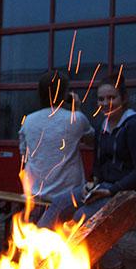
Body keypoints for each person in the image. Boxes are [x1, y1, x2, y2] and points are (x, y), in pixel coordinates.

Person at [37, 76, 136, 269]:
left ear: (124, 98)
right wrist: (92, 183)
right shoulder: (102, 126)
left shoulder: (135, 126)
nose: (106, 103)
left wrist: (112, 189)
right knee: (58, 204)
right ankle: (37, 261)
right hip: (107, 188)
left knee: (82, 218)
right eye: (101, 99)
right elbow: (98, 165)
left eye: (111, 97)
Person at [19, 70, 94, 201]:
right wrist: (76, 109)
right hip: (68, 195)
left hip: (33, 193)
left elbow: (23, 153)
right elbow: (92, 141)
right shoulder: (76, 118)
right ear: (66, 94)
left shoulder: (28, 120)